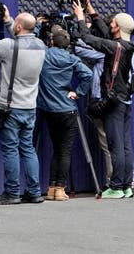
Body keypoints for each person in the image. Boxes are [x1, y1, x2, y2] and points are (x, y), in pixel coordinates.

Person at [0, 7, 47, 205]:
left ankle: (12, 192)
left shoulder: (9, 46)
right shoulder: (41, 46)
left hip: (9, 108)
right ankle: (34, 192)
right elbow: (20, 43)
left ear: (18, 27)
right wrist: (9, 23)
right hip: (29, 107)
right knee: (28, 149)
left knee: (10, 150)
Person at [73, 0, 134, 199]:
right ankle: (126, 186)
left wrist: (81, 19)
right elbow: (106, 34)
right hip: (125, 101)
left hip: (113, 104)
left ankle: (116, 187)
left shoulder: (113, 47)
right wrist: (92, 13)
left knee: (115, 145)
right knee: (125, 146)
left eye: (113, 23)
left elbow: (88, 38)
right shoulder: (127, 46)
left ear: (117, 27)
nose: (110, 24)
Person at [36, 26, 93, 201]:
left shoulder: (44, 54)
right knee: (64, 150)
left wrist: (38, 25)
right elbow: (88, 75)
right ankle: (60, 188)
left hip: (47, 110)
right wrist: (78, 92)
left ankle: (52, 187)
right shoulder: (72, 59)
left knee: (56, 149)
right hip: (67, 109)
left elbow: (35, 41)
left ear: (51, 41)